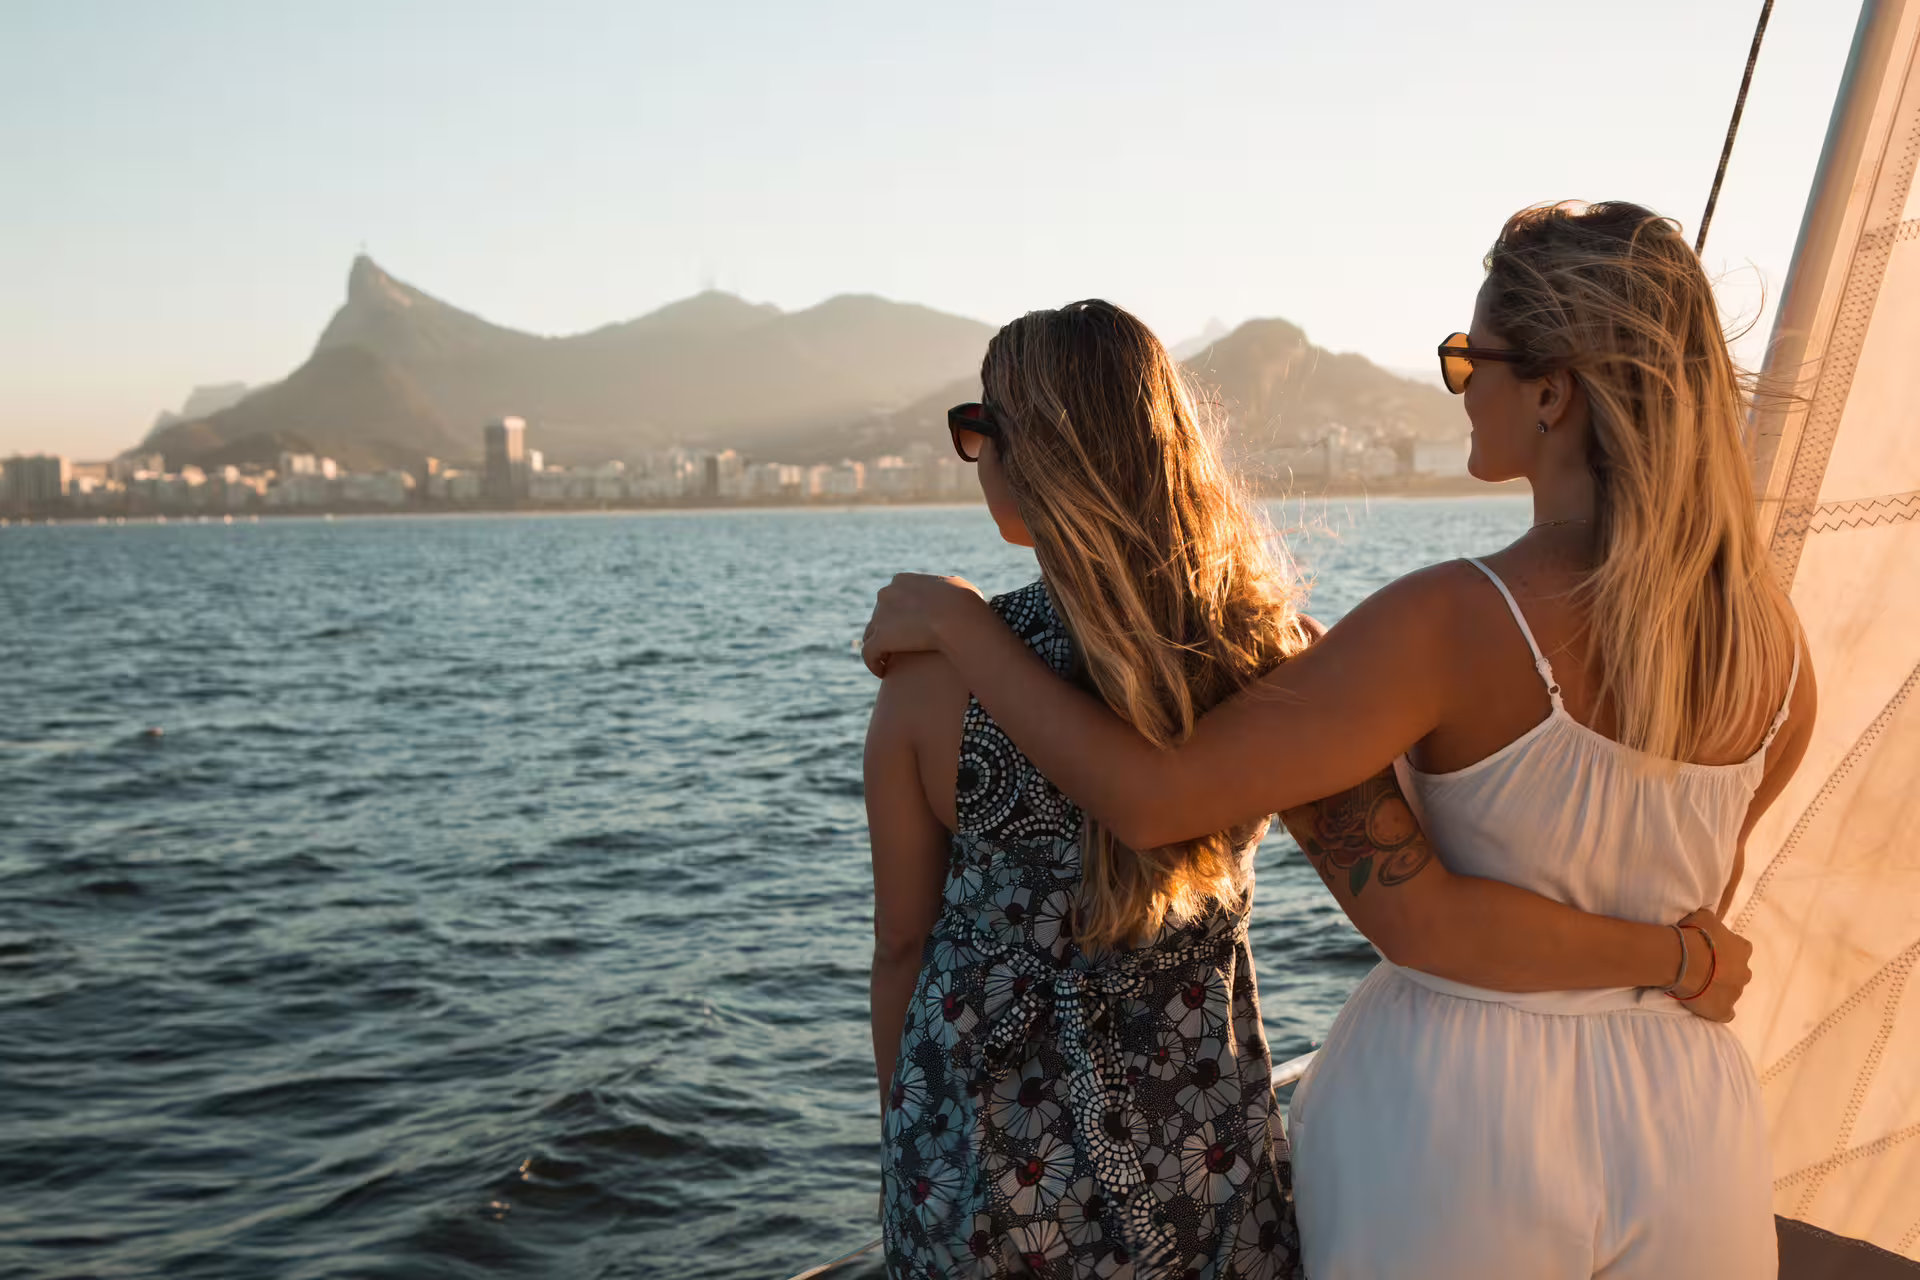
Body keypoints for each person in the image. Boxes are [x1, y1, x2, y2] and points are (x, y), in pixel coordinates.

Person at [864, 281, 1765, 1280]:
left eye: (979, 428)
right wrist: (1678, 956)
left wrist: (913, 1144)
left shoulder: (931, 690)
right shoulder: (1264, 658)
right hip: (1198, 1164)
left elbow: (902, 945)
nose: (976, 453)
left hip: (974, 1173)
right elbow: (1413, 901)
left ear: (1033, 451)